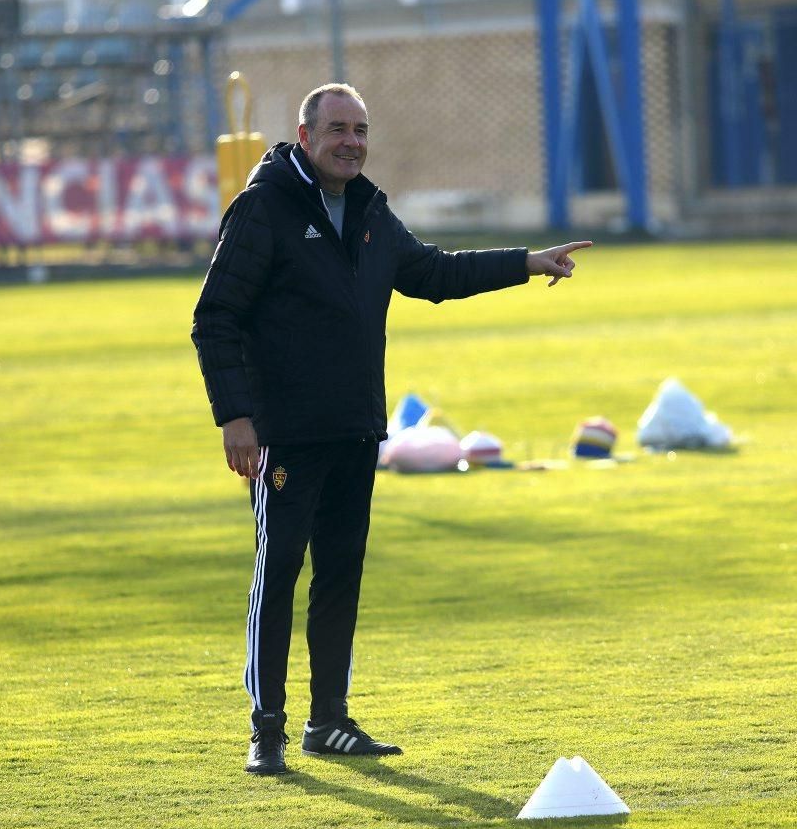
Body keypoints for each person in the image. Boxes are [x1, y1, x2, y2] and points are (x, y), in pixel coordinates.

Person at [192, 83, 592, 776]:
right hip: (284, 435)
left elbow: (434, 272)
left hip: (354, 432)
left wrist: (525, 264)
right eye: (338, 128)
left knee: (339, 578)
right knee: (278, 575)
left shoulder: (371, 212)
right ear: (305, 132)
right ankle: (267, 729)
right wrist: (236, 417)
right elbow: (214, 316)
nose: (352, 141)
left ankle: (329, 722)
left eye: (361, 129)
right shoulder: (264, 207)